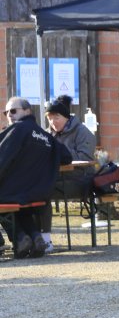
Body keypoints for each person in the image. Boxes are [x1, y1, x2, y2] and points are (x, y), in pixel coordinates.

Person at [0, 97, 72, 259]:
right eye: (6, 112)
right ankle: (35, 236)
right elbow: (67, 157)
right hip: (38, 193)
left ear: (27, 111)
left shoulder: (16, 130)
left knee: (6, 201)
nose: (9, 115)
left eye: (13, 111)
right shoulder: (45, 135)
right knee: (19, 207)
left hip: (17, 192)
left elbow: (2, 159)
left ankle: (19, 237)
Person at [42, 95, 98, 251]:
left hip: (80, 181)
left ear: (66, 117)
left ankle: (44, 240)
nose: (53, 122)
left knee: (41, 192)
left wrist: (60, 154)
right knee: (30, 191)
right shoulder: (47, 134)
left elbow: (85, 158)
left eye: (56, 117)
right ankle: (32, 237)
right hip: (56, 179)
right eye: (49, 118)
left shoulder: (83, 132)